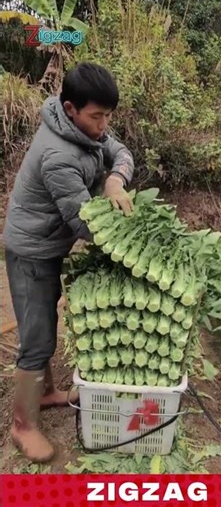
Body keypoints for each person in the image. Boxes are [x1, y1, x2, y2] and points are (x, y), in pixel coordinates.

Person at [3, 62, 134, 462]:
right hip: (31, 250)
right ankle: (22, 426)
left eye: (108, 116)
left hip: (49, 245)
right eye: (98, 116)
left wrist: (115, 179)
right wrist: (131, 252)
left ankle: (46, 393)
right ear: (71, 108)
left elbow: (121, 152)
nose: (104, 125)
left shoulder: (84, 128)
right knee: (37, 335)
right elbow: (84, 223)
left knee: (45, 322)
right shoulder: (57, 154)